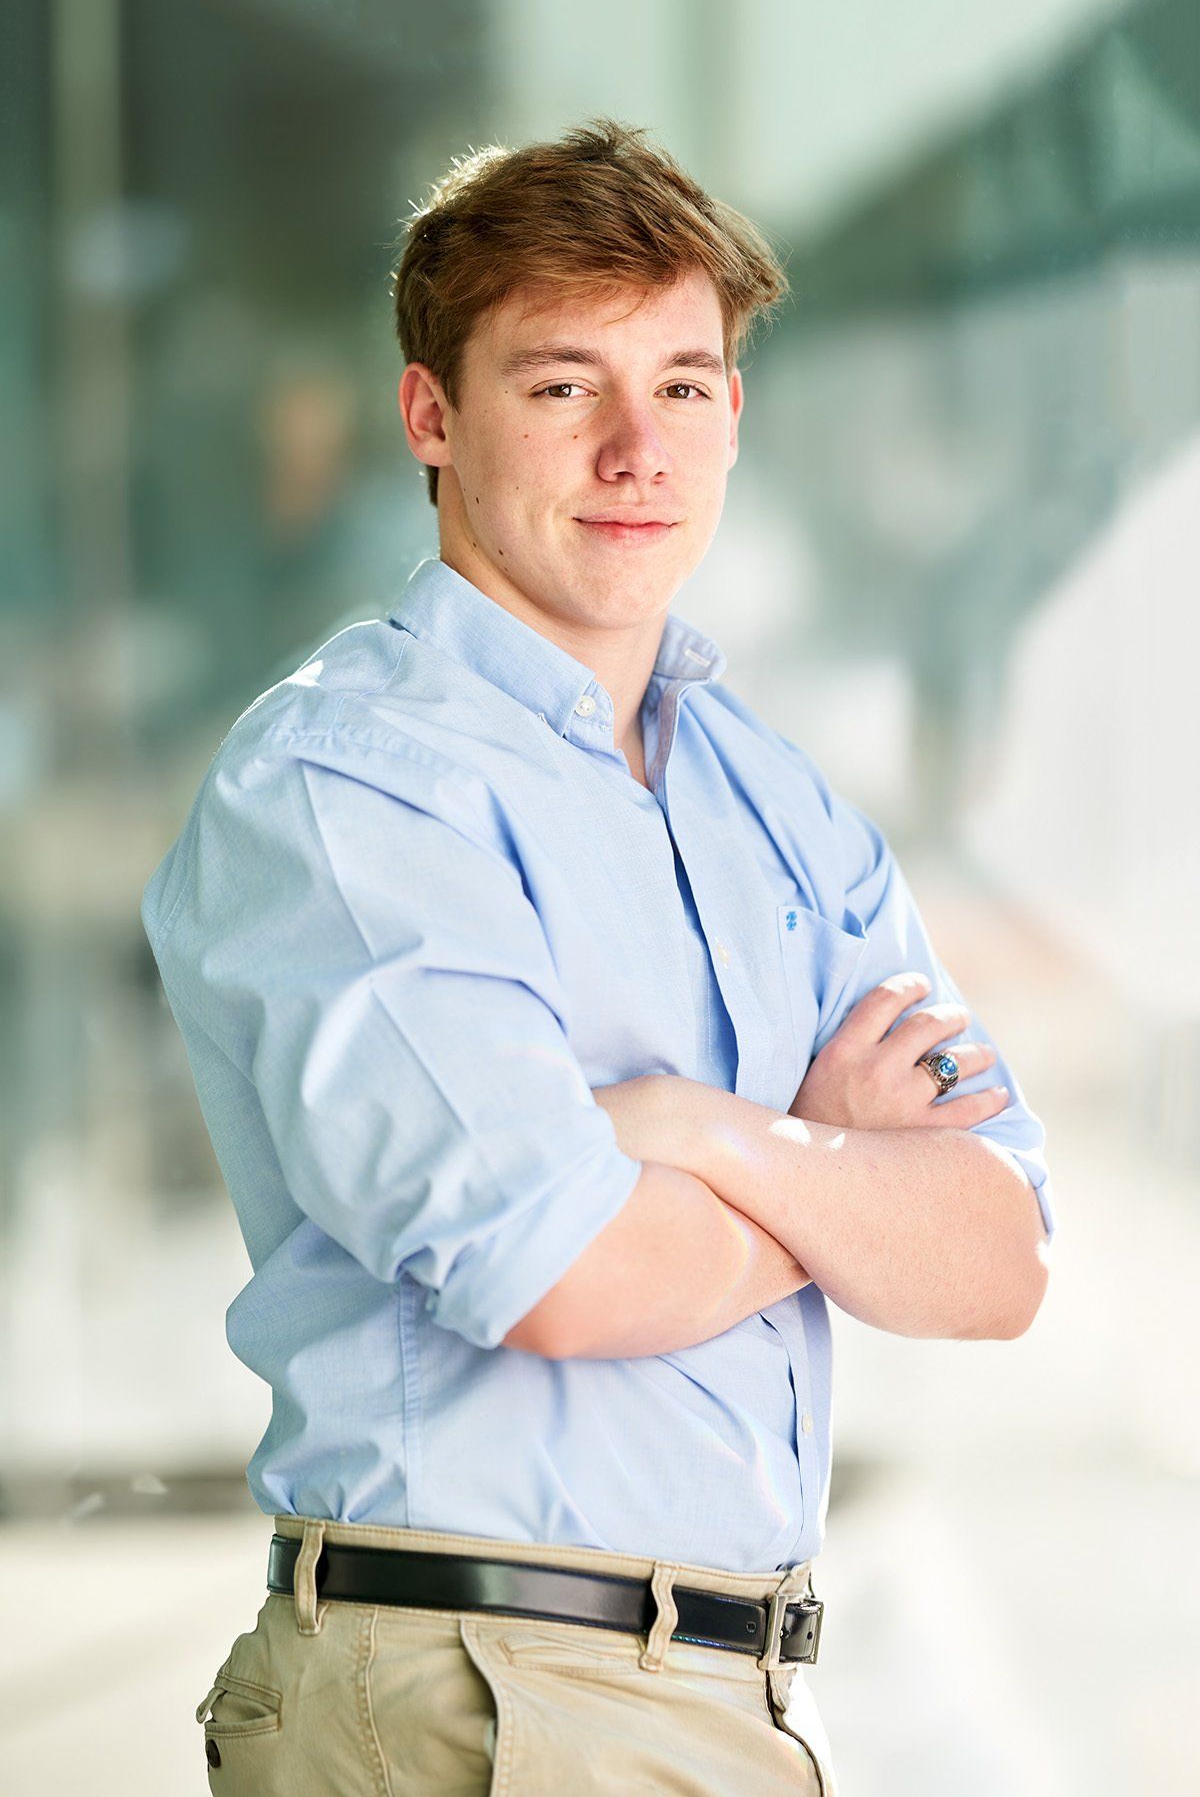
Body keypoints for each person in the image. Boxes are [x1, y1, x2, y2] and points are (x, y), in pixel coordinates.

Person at [143, 116, 1055, 1795]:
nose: (641, 446)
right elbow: (558, 1273)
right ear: (432, 414)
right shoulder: (346, 785)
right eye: (566, 386)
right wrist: (843, 1174)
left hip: (731, 1688)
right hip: (479, 1697)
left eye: (687, 384)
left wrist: (704, 1134)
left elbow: (996, 1257)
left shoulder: (777, 804)